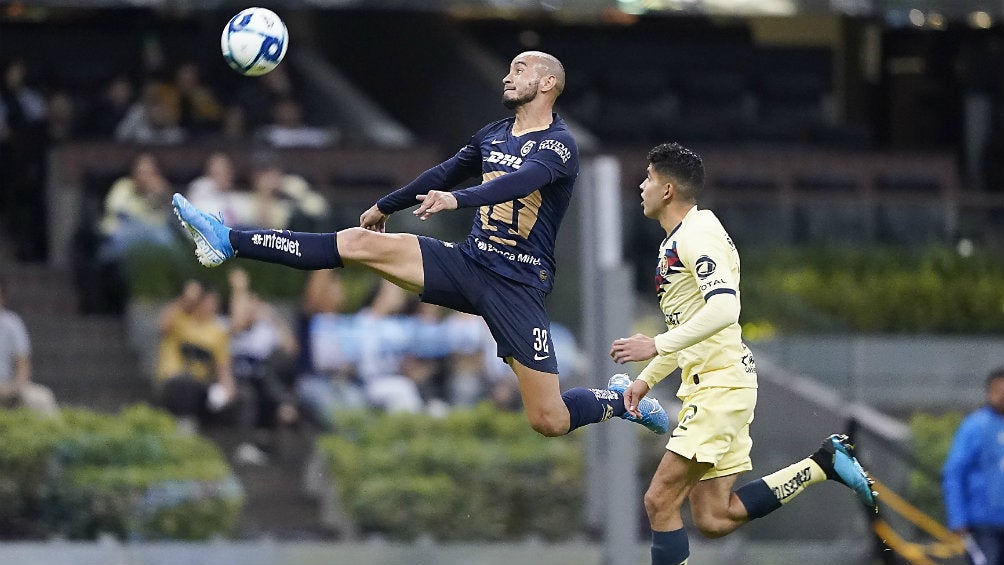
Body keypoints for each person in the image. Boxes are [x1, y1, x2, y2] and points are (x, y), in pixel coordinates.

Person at [173, 50, 669, 438]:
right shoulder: (493, 134)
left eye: (520, 69)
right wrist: (387, 206)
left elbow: (516, 185)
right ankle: (226, 240)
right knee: (354, 243)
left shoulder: (559, 145)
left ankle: (617, 401)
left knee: (549, 419)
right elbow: (443, 172)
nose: (507, 76)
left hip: (516, 287)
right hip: (468, 262)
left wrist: (457, 201)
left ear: (548, 83)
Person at [608, 142, 877, 565]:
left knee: (659, 501)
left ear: (667, 191)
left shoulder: (698, 236)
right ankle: (822, 463)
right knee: (714, 517)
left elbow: (724, 307)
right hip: (718, 385)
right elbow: (689, 328)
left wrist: (654, 345)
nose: (640, 186)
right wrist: (647, 379)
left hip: (720, 386)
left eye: (648, 179)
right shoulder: (678, 240)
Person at [942, 367, 1004, 565]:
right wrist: (957, 517)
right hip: (983, 522)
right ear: (990, 391)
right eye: (998, 390)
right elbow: (954, 473)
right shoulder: (975, 426)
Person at [0, 278, 58, 415]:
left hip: (9, 386)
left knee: (42, 397)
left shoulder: (12, 324)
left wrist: (14, 388)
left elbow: (23, 364)